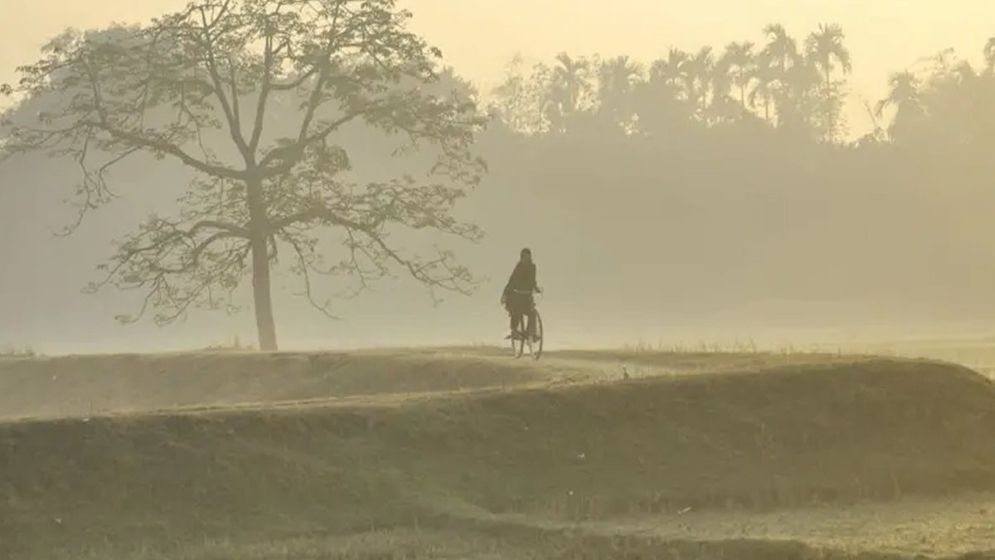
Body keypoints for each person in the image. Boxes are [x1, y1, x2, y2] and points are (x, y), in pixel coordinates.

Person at [501, 248, 541, 341]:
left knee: (532, 313)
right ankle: (516, 331)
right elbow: (511, 281)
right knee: (517, 312)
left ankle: (530, 333)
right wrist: (505, 294)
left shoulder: (532, 267)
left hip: (526, 297)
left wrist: (535, 288)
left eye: (528, 256)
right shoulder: (520, 267)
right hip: (518, 297)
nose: (527, 258)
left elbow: (532, 281)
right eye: (525, 256)